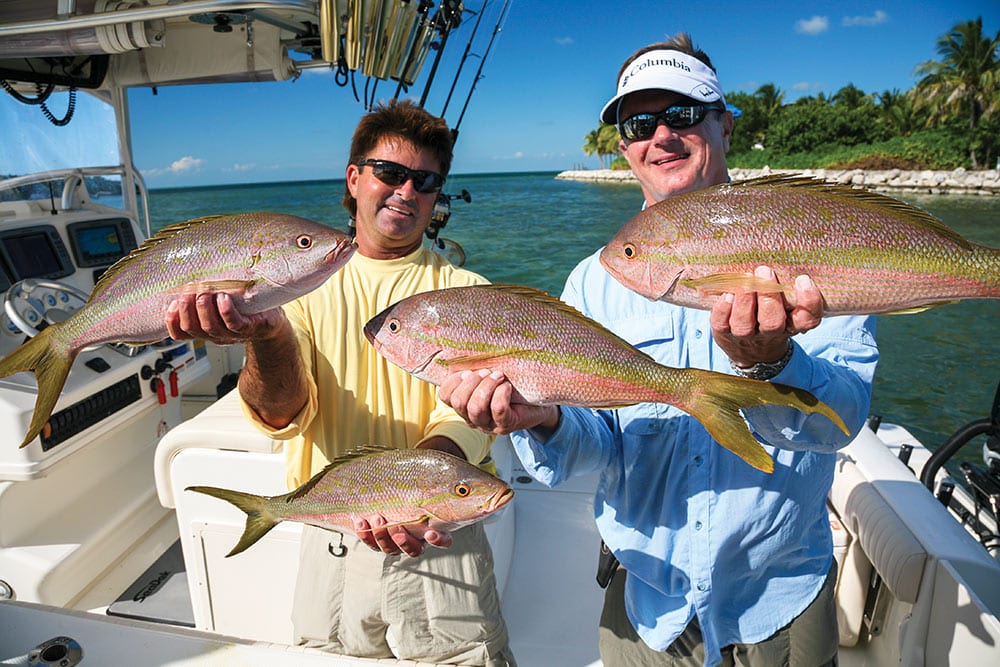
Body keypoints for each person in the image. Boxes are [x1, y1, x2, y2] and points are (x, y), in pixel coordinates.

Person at [440, 33, 878, 667]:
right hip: (648, 599)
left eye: (684, 114)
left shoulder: (802, 234)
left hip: (779, 595)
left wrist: (772, 362)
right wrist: (546, 418)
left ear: (725, 125)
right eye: (640, 122)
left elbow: (845, 416)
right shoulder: (594, 281)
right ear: (623, 147)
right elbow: (596, 447)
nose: (661, 135)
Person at [165, 99, 514, 666]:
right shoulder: (293, 281)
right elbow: (282, 413)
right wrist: (268, 336)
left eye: (425, 181)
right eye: (390, 173)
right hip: (329, 534)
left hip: (439, 536)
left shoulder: (466, 288)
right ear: (354, 179)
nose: (406, 191)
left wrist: (420, 489)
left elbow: (465, 411)